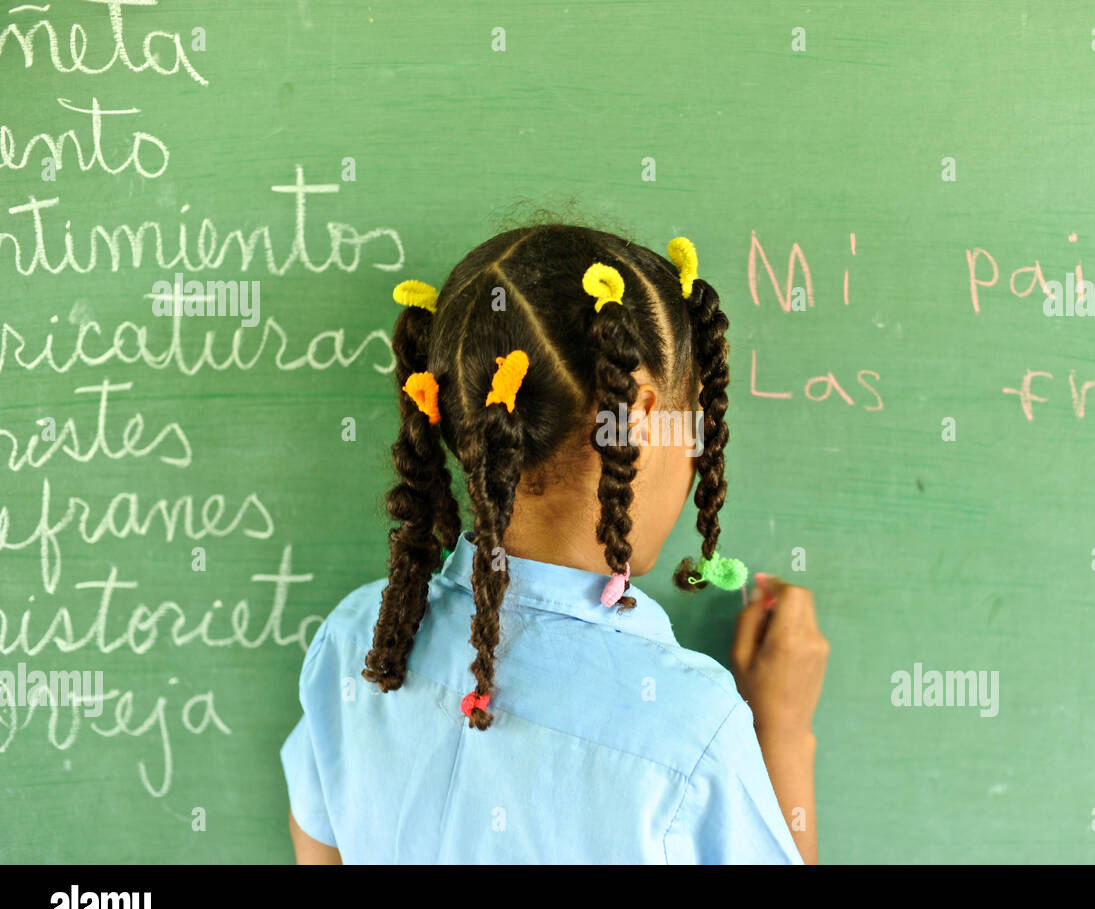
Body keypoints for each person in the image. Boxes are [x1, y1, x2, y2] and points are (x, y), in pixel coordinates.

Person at [280, 224, 829, 863]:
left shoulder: (360, 641)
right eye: (695, 423)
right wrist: (783, 734)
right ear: (639, 417)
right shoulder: (689, 731)